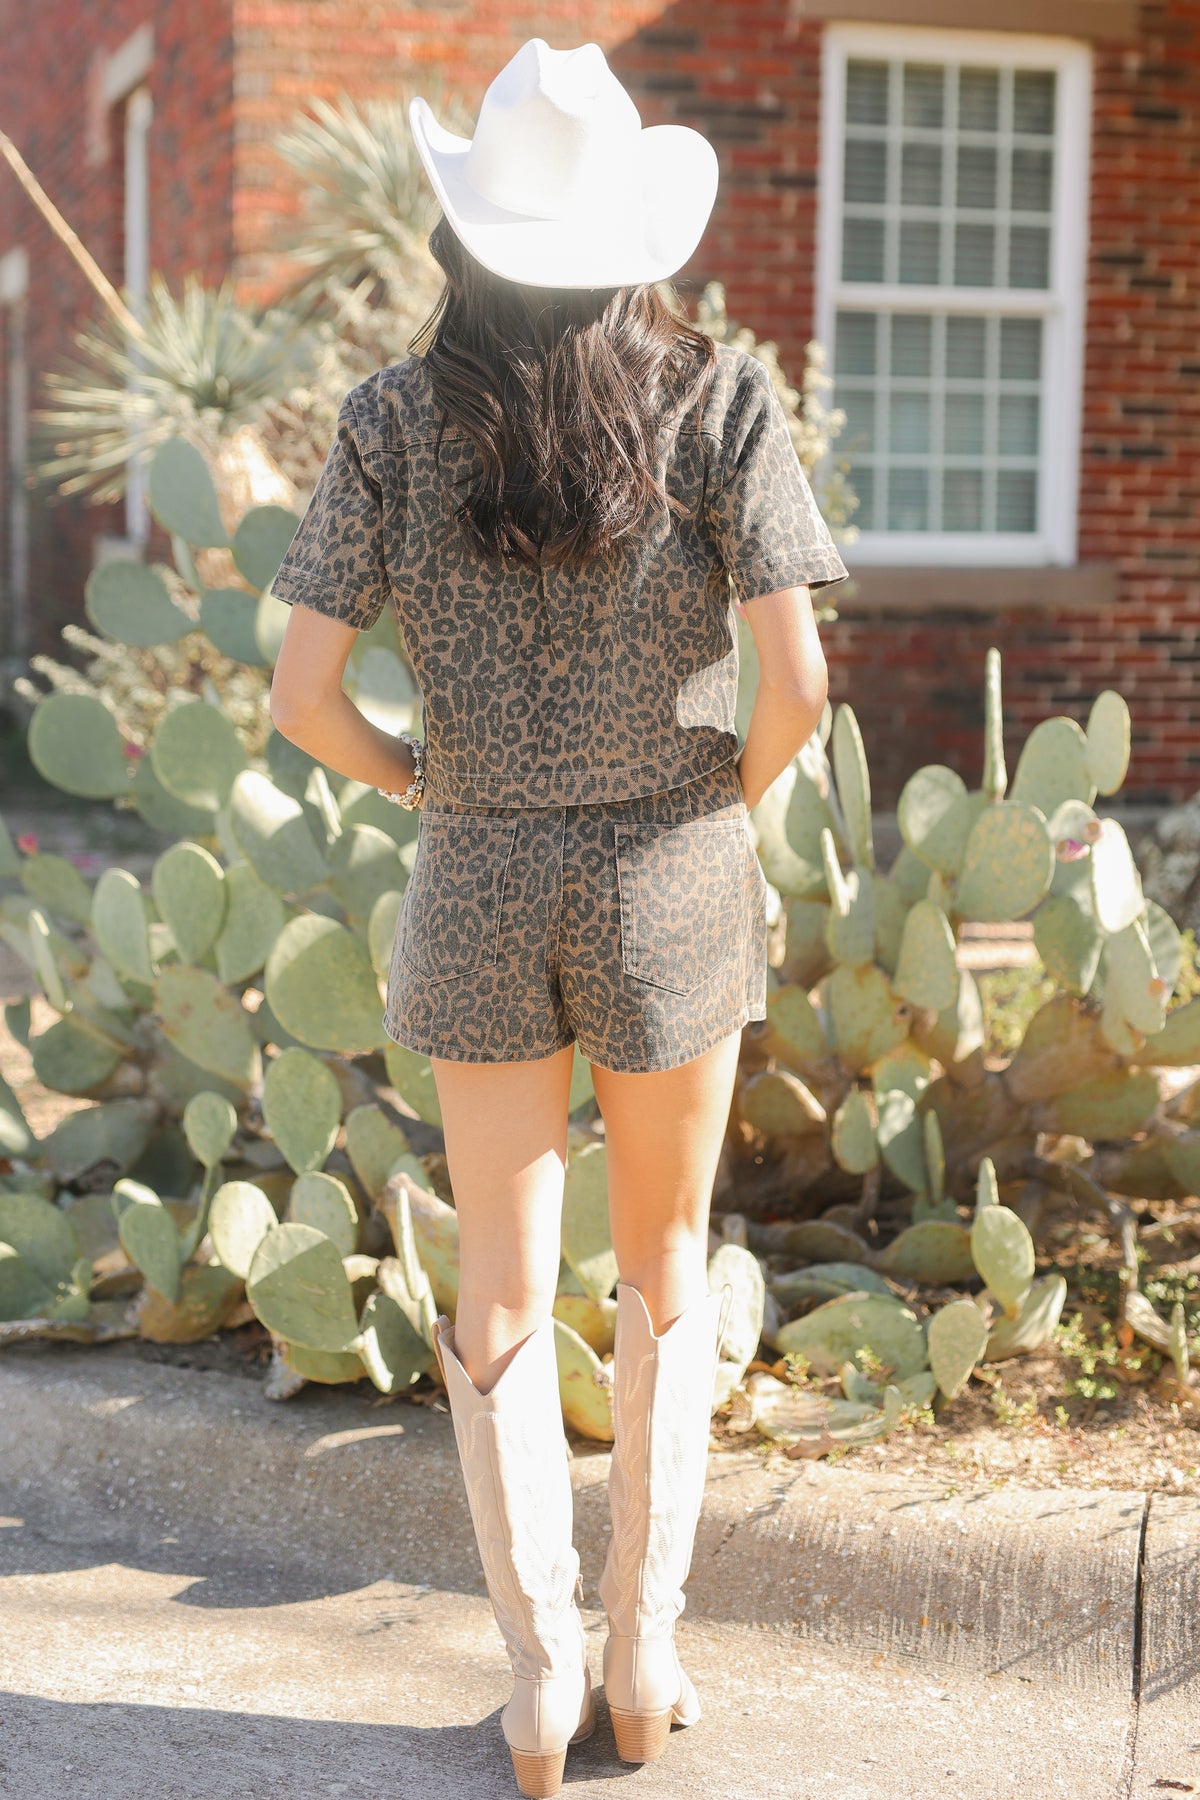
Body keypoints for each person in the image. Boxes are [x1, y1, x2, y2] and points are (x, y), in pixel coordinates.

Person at [268, 36, 848, 1800]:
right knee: (665, 1268)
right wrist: (704, 814)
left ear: (466, 234)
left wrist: (428, 787)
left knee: (502, 1293)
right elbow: (801, 689)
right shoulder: (724, 397)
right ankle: (644, 1666)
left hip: (478, 870)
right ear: (631, 237)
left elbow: (299, 698)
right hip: (670, 867)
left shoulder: (383, 420)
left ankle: (531, 1696)